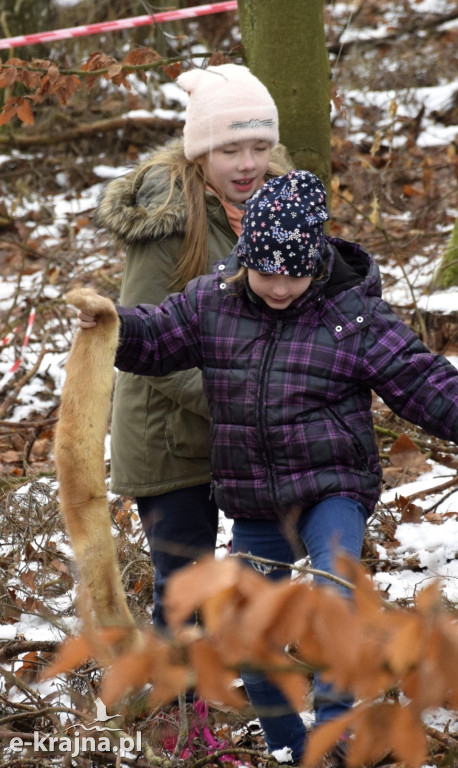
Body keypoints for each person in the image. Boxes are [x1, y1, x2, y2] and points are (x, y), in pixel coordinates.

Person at [79, 170, 458, 766]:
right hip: (255, 502)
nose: (281, 287)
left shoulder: (352, 317)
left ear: (316, 261)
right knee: (244, 631)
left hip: (331, 488)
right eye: (267, 273)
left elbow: (422, 378)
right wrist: (113, 325)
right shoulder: (212, 302)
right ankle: (292, 748)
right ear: (244, 259)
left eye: (296, 273)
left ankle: (339, 734)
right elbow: (157, 337)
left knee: (334, 596)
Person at [93, 63, 290, 632]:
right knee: (185, 585)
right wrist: (235, 396)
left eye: (258, 146)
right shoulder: (171, 217)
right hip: (167, 434)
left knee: (258, 570)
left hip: (239, 427)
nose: (247, 163)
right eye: (230, 150)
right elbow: (137, 338)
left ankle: (235, 679)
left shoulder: (274, 205)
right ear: (201, 151)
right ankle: (180, 715)